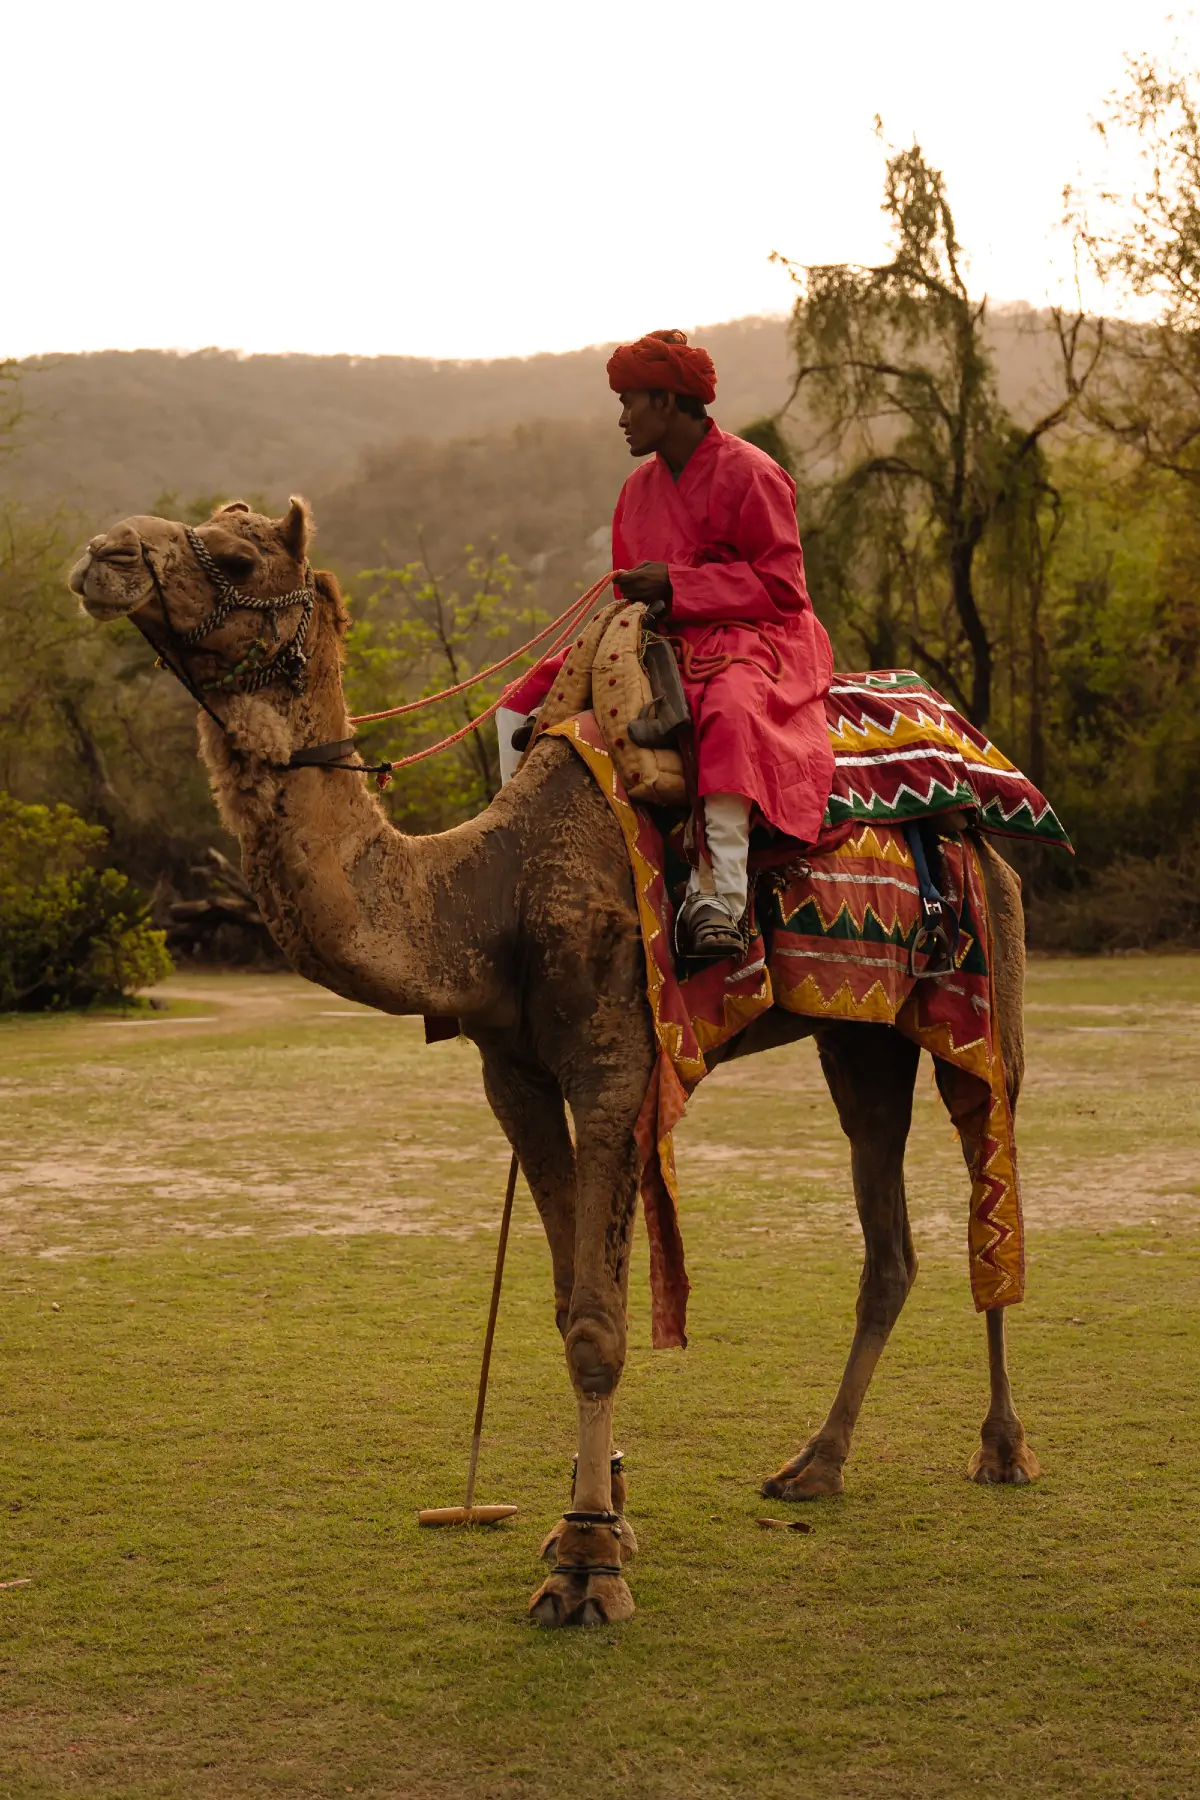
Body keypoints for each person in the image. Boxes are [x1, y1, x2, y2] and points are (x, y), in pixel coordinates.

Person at [498, 328, 834, 959]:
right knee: (527, 697)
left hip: (760, 634)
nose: (622, 418)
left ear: (672, 402)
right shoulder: (637, 491)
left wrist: (679, 583)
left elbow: (782, 587)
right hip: (660, 637)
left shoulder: (752, 473)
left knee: (729, 710)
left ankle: (721, 897)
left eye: (631, 402)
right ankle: (519, 861)